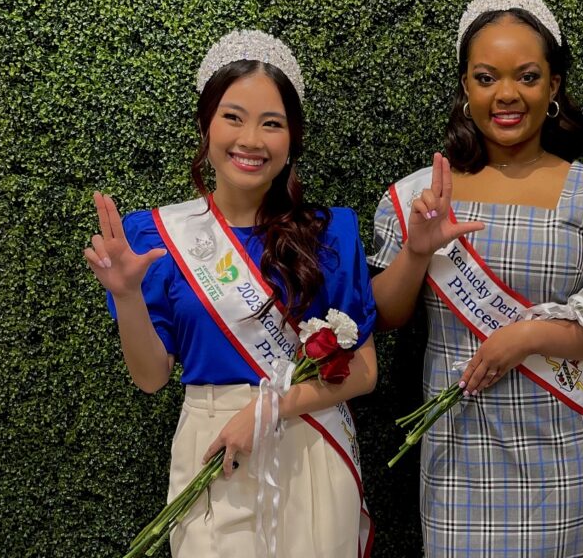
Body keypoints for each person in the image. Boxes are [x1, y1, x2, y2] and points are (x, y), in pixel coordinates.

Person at [369, 0, 583, 556]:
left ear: (553, 86)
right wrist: (417, 251)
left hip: (570, 457)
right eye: (485, 77)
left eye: (526, 76)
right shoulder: (418, 196)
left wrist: (527, 337)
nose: (506, 95)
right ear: (465, 87)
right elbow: (386, 315)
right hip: (457, 463)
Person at [85, 30, 377, 558]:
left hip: (309, 441)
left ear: (292, 139)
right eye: (233, 117)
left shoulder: (331, 234)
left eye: (273, 124)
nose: (251, 139)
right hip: (210, 447)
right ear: (206, 125)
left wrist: (266, 412)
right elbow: (152, 378)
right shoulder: (157, 236)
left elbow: (363, 369)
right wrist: (128, 296)